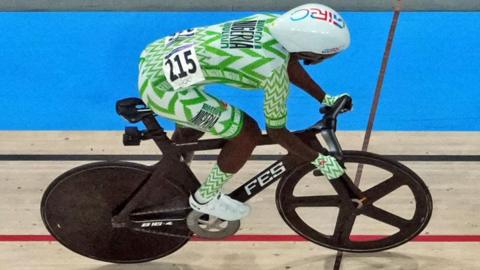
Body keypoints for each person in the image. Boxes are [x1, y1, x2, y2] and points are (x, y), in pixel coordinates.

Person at [138, 3, 351, 221]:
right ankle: (205, 198)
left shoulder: (270, 22)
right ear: (310, 51)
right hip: (163, 91)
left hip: (158, 56)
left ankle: (171, 175)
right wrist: (319, 160)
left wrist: (324, 97)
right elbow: (277, 132)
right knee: (247, 134)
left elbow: (287, 60)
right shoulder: (272, 72)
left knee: (196, 125)